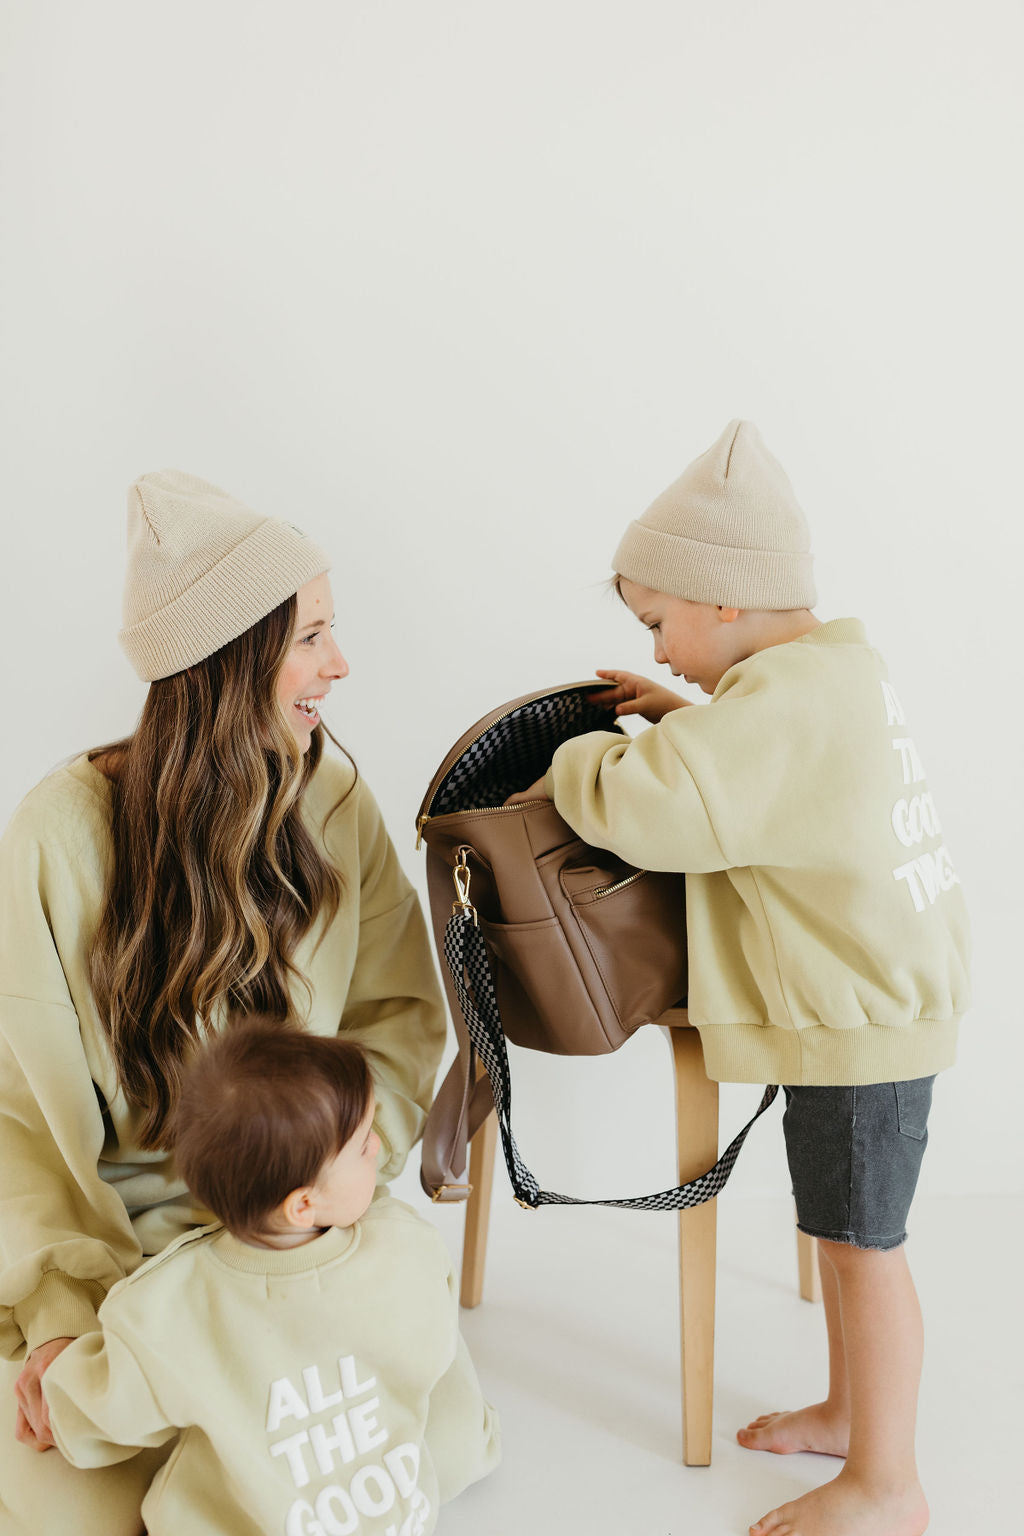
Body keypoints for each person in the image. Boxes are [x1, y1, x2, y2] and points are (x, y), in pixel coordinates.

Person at [510, 421, 969, 1536]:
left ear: (721, 601)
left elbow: (662, 808)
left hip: (858, 1026)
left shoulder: (784, 710)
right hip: (876, 1011)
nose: (660, 651)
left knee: (863, 1252)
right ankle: (851, 1416)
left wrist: (583, 754)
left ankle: (888, 1485)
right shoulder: (832, 676)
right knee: (841, 1232)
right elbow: (765, 773)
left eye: (660, 622)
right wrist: (693, 721)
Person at [0, 470, 447, 1535]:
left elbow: (399, 1011)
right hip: (123, 1243)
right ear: (226, 658)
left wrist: (323, 1173)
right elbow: (20, 1114)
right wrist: (64, 1311)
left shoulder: (329, 797)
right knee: (66, 1489)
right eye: (312, 637)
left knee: (341, 1471)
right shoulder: (60, 834)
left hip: (298, 1222)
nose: (338, 665)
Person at [41, 1021, 500, 1536]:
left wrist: (57, 1404)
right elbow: (434, 1341)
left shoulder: (169, 1305)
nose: (378, 1144)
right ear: (303, 1204)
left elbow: (104, 1408)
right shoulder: (404, 1245)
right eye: (362, 1143)